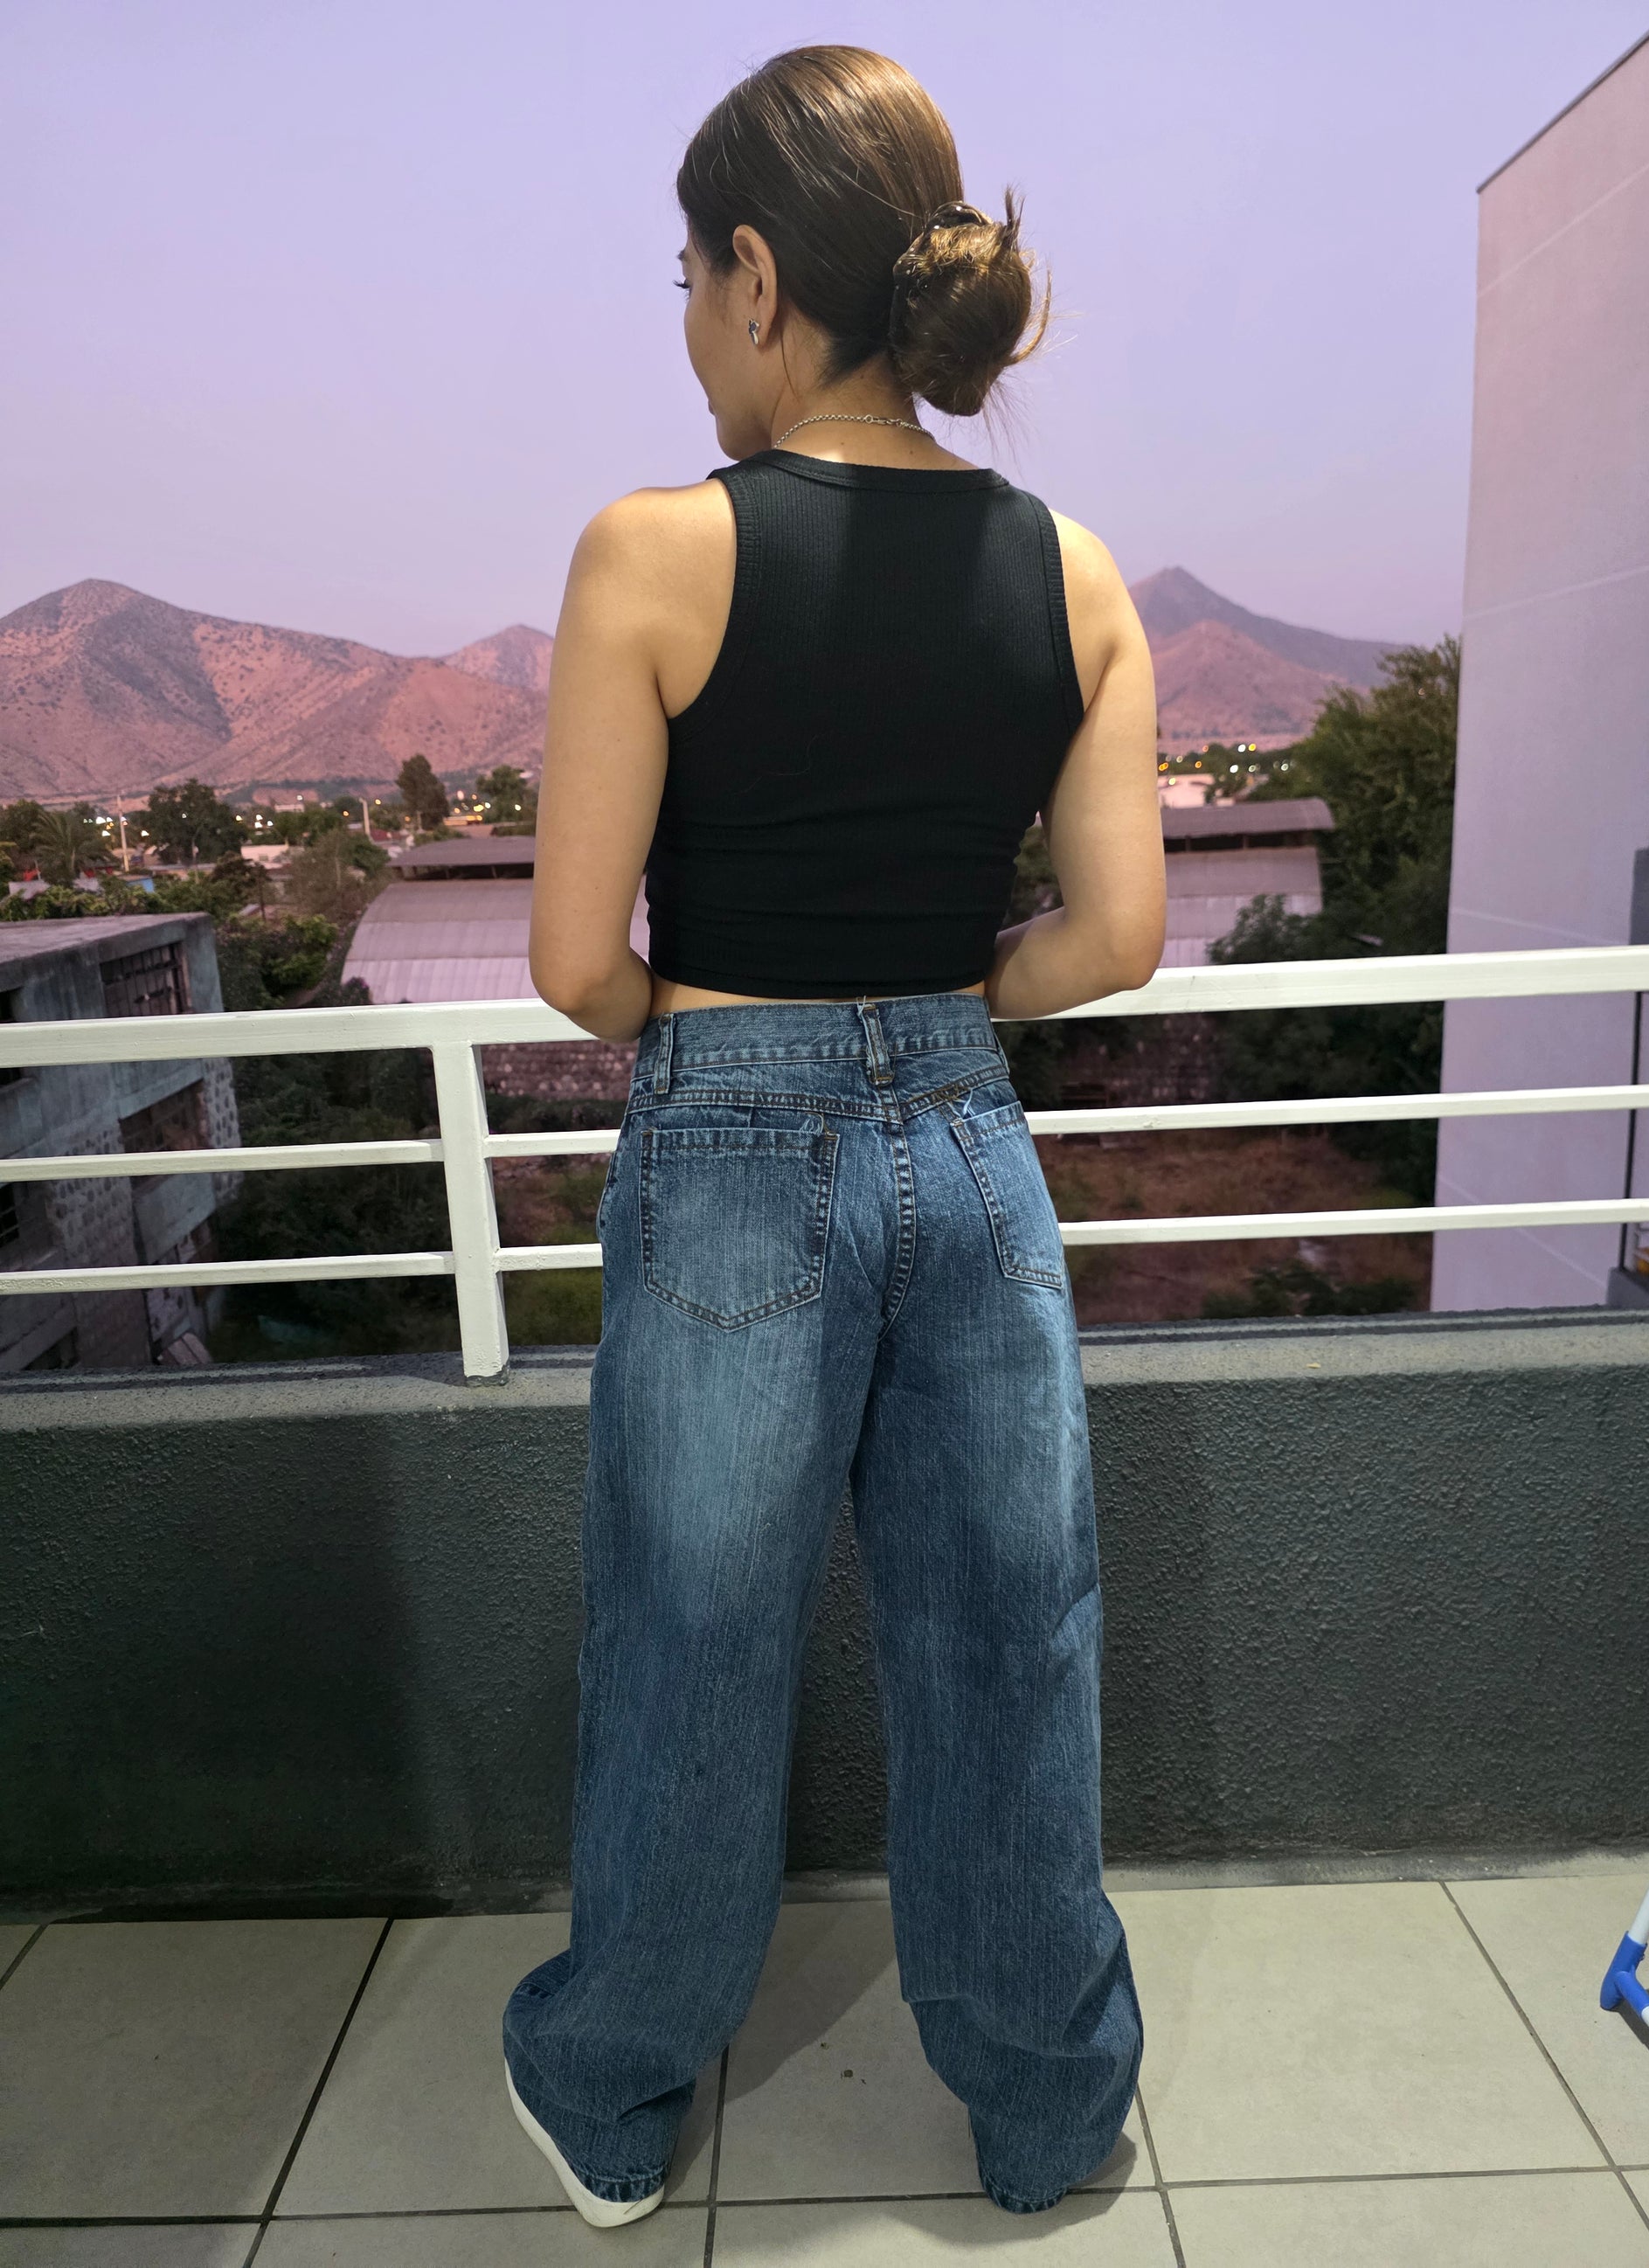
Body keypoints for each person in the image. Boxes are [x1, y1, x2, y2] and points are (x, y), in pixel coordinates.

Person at [505, 43, 1166, 2227]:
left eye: (688, 284)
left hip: (731, 1149)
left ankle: (613, 2092)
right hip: (972, 1149)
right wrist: (945, 1010)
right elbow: (1118, 934)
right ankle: (1049, 2114)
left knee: (691, 1643)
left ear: (758, 276)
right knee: (1008, 1641)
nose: (689, 329)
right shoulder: (1073, 571)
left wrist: (718, 1041)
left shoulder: (651, 552)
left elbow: (574, 962)